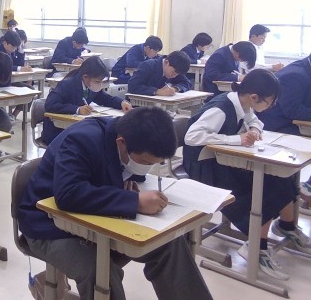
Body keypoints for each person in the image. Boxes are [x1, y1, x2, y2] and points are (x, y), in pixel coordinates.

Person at [18, 107, 213, 300]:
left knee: (169, 242)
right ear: (121, 142)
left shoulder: (128, 138)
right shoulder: (82, 139)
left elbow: (128, 170)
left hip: (93, 221)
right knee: (100, 273)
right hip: (48, 226)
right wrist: (135, 202)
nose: (147, 167)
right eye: (145, 162)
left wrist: (128, 181)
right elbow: (69, 194)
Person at [184, 69, 309, 280]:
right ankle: (257, 248)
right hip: (203, 165)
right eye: (269, 102)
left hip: (221, 159)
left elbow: (255, 121)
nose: (270, 106)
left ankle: (286, 226)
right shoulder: (221, 109)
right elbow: (192, 136)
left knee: (281, 178)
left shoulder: (243, 104)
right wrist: (237, 140)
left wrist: (255, 130)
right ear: (254, 97)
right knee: (263, 189)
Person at [42, 56, 132, 145]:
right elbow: (50, 105)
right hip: (57, 131)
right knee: (95, 142)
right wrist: (77, 109)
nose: (100, 84)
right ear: (85, 77)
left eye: (102, 81)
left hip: (76, 128)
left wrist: (121, 103)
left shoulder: (89, 84)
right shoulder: (67, 84)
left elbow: (104, 98)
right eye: (97, 81)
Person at [258, 52, 311, 200]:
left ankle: (306, 187)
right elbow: (292, 110)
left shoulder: (306, 69)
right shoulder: (296, 75)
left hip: (290, 122)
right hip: (275, 126)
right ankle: (306, 189)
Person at [127, 51, 192, 96]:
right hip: (138, 105)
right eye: (172, 72)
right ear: (166, 62)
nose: (174, 76)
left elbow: (187, 83)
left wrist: (175, 88)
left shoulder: (175, 69)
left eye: (177, 75)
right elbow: (132, 86)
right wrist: (157, 91)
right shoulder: (147, 66)